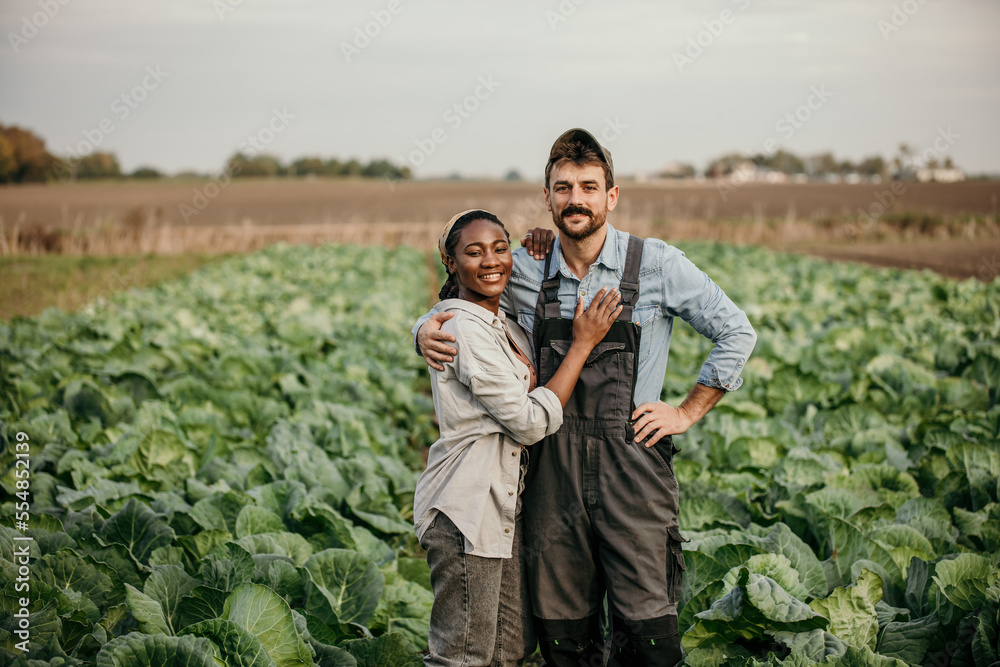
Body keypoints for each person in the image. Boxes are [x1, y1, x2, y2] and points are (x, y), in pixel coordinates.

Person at [414, 130, 758, 666]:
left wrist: (687, 411)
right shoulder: (525, 268)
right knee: (564, 638)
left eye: (589, 188)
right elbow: (462, 298)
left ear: (611, 196)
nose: (576, 199)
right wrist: (423, 329)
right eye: (564, 188)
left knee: (649, 638)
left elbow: (736, 331)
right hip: (552, 474)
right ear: (547, 198)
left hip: (634, 469)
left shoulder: (657, 266)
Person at [414, 208, 624, 667]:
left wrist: (419, 327)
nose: (491, 261)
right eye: (473, 252)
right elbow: (528, 422)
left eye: (499, 247)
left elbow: (446, 312)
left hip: (501, 507)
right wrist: (583, 344)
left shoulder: (498, 319)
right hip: (466, 511)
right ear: (450, 263)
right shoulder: (464, 330)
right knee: (463, 656)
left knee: (509, 647)